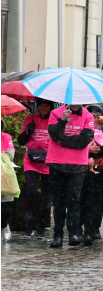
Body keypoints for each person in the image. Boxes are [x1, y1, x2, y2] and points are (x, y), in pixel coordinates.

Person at [46, 103, 95, 248]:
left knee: (74, 200)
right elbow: (54, 135)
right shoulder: (55, 113)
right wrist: (62, 120)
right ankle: (58, 235)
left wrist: (63, 141)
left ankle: (74, 232)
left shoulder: (88, 115)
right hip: (57, 162)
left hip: (78, 164)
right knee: (59, 200)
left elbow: (84, 140)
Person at [17, 98, 53, 238]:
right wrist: (28, 131)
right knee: (31, 193)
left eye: (46, 106)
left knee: (46, 195)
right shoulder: (30, 119)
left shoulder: (54, 121)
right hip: (31, 160)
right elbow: (21, 141)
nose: (44, 108)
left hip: (48, 161)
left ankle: (42, 226)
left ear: (50, 107)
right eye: (41, 105)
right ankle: (29, 226)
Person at [81, 105, 103, 245]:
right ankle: (84, 228)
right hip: (83, 166)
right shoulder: (83, 128)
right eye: (91, 116)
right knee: (84, 198)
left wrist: (97, 152)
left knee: (98, 199)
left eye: (97, 116)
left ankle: (95, 227)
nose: (94, 118)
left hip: (102, 166)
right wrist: (88, 151)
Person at [1, 122, 16, 241]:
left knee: (5, 205)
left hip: (4, 174)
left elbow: (10, 155)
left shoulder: (6, 137)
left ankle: (4, 225)